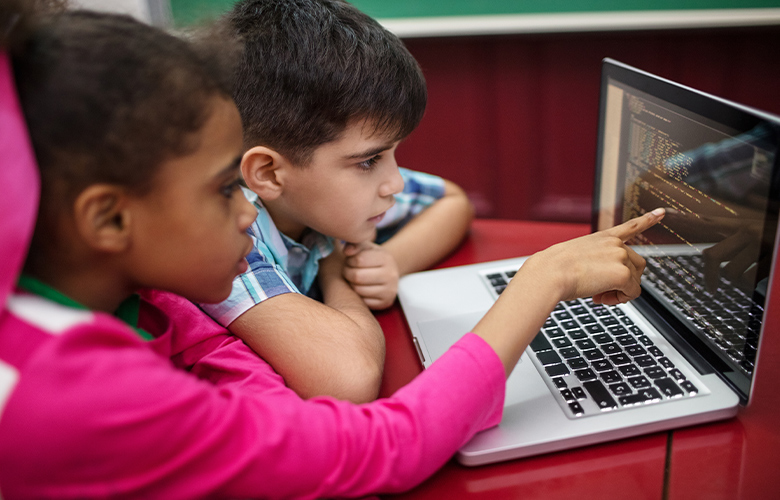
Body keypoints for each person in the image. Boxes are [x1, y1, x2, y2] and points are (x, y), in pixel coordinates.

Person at [0, 6, 663, 498]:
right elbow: (376, 440)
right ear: (111, 218)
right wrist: (542, 280)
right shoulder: (82, 397)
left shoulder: (159, 303)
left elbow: (283, 414)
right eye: (225, 187)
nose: (245, 211)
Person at [198, 0, 474, 403]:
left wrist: (392, 262)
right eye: (369, 161)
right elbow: (348, 380)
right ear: (269, 174)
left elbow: (452, 201)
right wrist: (337, 270)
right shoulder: (226, 233)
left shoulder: (322, 194)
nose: (394, 182)